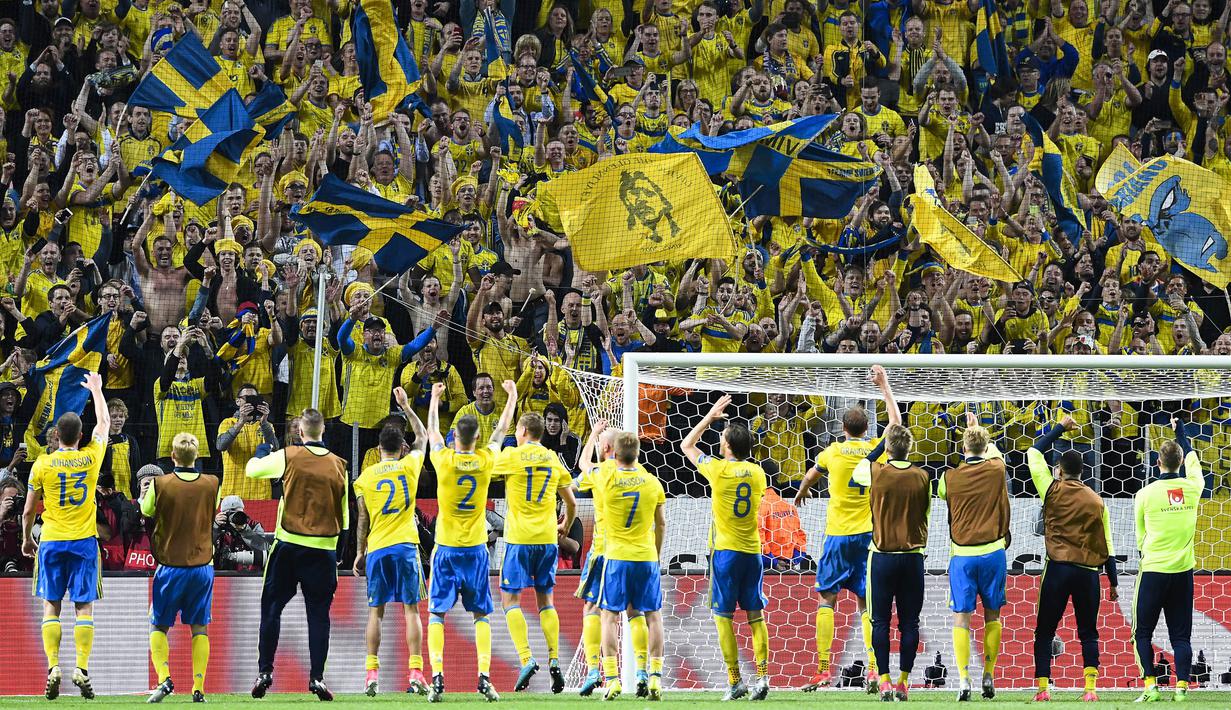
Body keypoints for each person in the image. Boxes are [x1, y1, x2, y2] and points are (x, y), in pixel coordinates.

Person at [244, 408, 349, 702]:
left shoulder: (288, 455)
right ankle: (317, 677)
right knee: (318, 615)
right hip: (324, 549)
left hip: (288, 544)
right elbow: (345, 515)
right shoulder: (340, 465)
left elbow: (252, 470)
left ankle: (265, 672)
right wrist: (338, 552)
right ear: (323, 431)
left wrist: (261, 451)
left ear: (301, 432)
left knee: (272, 608)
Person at [424, 378, 518, 703]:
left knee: (437, 613)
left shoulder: (443, 460)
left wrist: (435, 399)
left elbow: (432, 433)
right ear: (476, 437)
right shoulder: (485, 461)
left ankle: (436, 676)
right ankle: (483, 676)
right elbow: (502, 431)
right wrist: (513, 396)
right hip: (476, 549)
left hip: (447, 548)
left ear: (454, 439)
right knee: (481, 616)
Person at [21, 372, 110, 700]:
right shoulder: (91, 457)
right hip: (84, 541)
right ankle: (81, 668)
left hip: (52, 541)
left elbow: (29, 510)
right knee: (83, 608)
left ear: (56, 435)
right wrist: (97, 391)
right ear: (81, 434)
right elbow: (105, 423)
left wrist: (27, 538)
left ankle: (53, 667)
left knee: (51, 606)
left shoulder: (41, 465)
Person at [680, 394, 770, 701]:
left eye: (721, 438)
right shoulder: (758, 474)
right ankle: (762, 677)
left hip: (726, 554)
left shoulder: (718, 470)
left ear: (727, 445)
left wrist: (709, 418)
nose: (719, 441)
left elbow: (686, 446)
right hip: (753, 553)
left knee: (723, 618)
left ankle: (734, 681)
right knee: (755, 616)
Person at [1027, 415, 1119, 702]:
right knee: (1089, 632)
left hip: (1057, 570)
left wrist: (1059, 428)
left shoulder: (1051, 489)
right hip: (1088, 573)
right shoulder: (1096, 500)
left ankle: (1043, 689)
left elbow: (1032, 451)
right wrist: (1113, 581)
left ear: (1059, 470)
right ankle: (1090, 690)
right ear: (1083, 472)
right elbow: (1108, 544)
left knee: (1044, 630)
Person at [850, 366, 925, 702]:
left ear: (888, 447)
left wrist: (877, 450)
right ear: (909, 448)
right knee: (909, 622)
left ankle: (883, 680)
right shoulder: (923, 477)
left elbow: (857, 473)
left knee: (879, 621)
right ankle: (904, 682)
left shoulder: (874, 471)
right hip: (912, 557)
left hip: (881, 557)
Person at [793, 403, 880, 692]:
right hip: (868, 536)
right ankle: (873, 669)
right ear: (866, 430)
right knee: (867, 604)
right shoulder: (874, 449)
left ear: (842, 429)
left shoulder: (832, 452)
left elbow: (811, 474)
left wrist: (803, 490)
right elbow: (895, 424)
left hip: (838, 536)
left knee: (827, 600)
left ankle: (822, 670)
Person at [353, 390, 430, 697]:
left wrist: (360, 552)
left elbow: (362, 518)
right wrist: (408, 408)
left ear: (379, 447)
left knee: (376, 611)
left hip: (378, 548)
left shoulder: (365, 477)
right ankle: (415, 672)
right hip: (406, 546)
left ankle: (371, 673)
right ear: (401, 447)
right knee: (411, 611)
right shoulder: (409, 466)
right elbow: (423, 435)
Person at [493, 410, 576, 694]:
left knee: (510, 601)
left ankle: (527, 658)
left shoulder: (512, 456)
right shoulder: (553, 459)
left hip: (519, 539)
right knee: (546, 601)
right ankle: (554, 658)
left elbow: (487, 467)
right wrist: (565, 524)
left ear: (523, 431)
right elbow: (571, 501)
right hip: (547, 539)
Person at [938, 412, 1011, 701]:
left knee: (961, 618)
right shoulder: (996, 469)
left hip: (963, 556)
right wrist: (976, 430)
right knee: (993, 615)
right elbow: (996, 457)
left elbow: (945, 493)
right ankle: (989, 674)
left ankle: (964, 679)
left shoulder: (949, 477)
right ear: (986, 446)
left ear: (963, 449)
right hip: (993, 552)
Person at [142, 433, 220, 704]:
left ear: (172, 456)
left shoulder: (160, 483)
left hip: (170, 566)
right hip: (202, 566)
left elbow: (147, 510)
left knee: (158, 625)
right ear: (196, 456)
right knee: (199, 628)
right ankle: (198, 688)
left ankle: (165, 678)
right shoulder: (212, 483)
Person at [1133, 417, 1204, 703]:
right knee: (1181, 636)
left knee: (1142, 632)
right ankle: (1182, 688)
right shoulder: (1193, 488)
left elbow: (1140, 536)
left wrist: (1150, 554)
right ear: (1179, 463)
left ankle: (1150, 686)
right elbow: (1194, 458)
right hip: (1183, 572)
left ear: (1157, 463)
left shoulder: (1145, 494)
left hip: (1153, 571)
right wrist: (1181, 431)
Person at [594, 428, 666, 701]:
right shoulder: (651, 482)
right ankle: (656, 677)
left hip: (617, 558)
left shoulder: (606, 476)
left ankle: (611, 680)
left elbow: (586, 466)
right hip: (646, 557)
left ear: (612, 451)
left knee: (609, 616)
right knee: (653, 616)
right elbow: (661, 523)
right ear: (638, 453)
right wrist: (656, 554)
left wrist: (597, 440)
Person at [573, 422, 617, 696]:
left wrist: (591, 434)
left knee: (593, 609)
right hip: (632, 554)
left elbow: (579, 470)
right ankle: (642, 673)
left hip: (602, 551)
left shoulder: (598, 473)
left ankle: (593, 670)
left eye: (602, 438)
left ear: (605, 447)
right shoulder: (641, 475)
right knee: (636, 613)